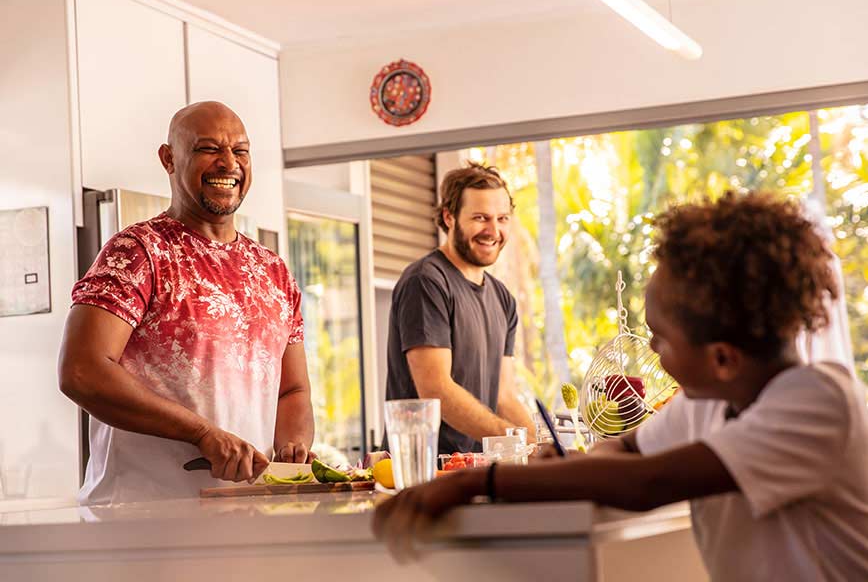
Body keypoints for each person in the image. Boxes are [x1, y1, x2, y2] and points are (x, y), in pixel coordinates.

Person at [373, 191, 868, 581]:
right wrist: (565, 461)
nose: (651, 348)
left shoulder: (819, 402)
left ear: (722, 358)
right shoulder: (713, 402)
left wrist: (475, 481)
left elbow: (648, 481)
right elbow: (629, 449)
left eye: (662, 337)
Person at [58, 101, 315, 504]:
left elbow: (293, 391)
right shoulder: (138, 252)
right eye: (208, 149)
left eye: (240, 151)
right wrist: (202, 433)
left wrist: (292, 452)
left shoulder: (273, 270)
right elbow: (81, 370)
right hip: (142, 520)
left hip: (244, 518)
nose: (228, 164)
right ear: (169, 158)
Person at [384, 162, 535, 455]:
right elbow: (436, 390)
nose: (493, 230)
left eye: (502, 218)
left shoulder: (502, 298)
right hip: (425, 472)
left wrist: (543, 447)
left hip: (478, 469)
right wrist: (518, 442)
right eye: (480, 218)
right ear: (449, 217)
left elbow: (504, 397)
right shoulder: (426, 282)